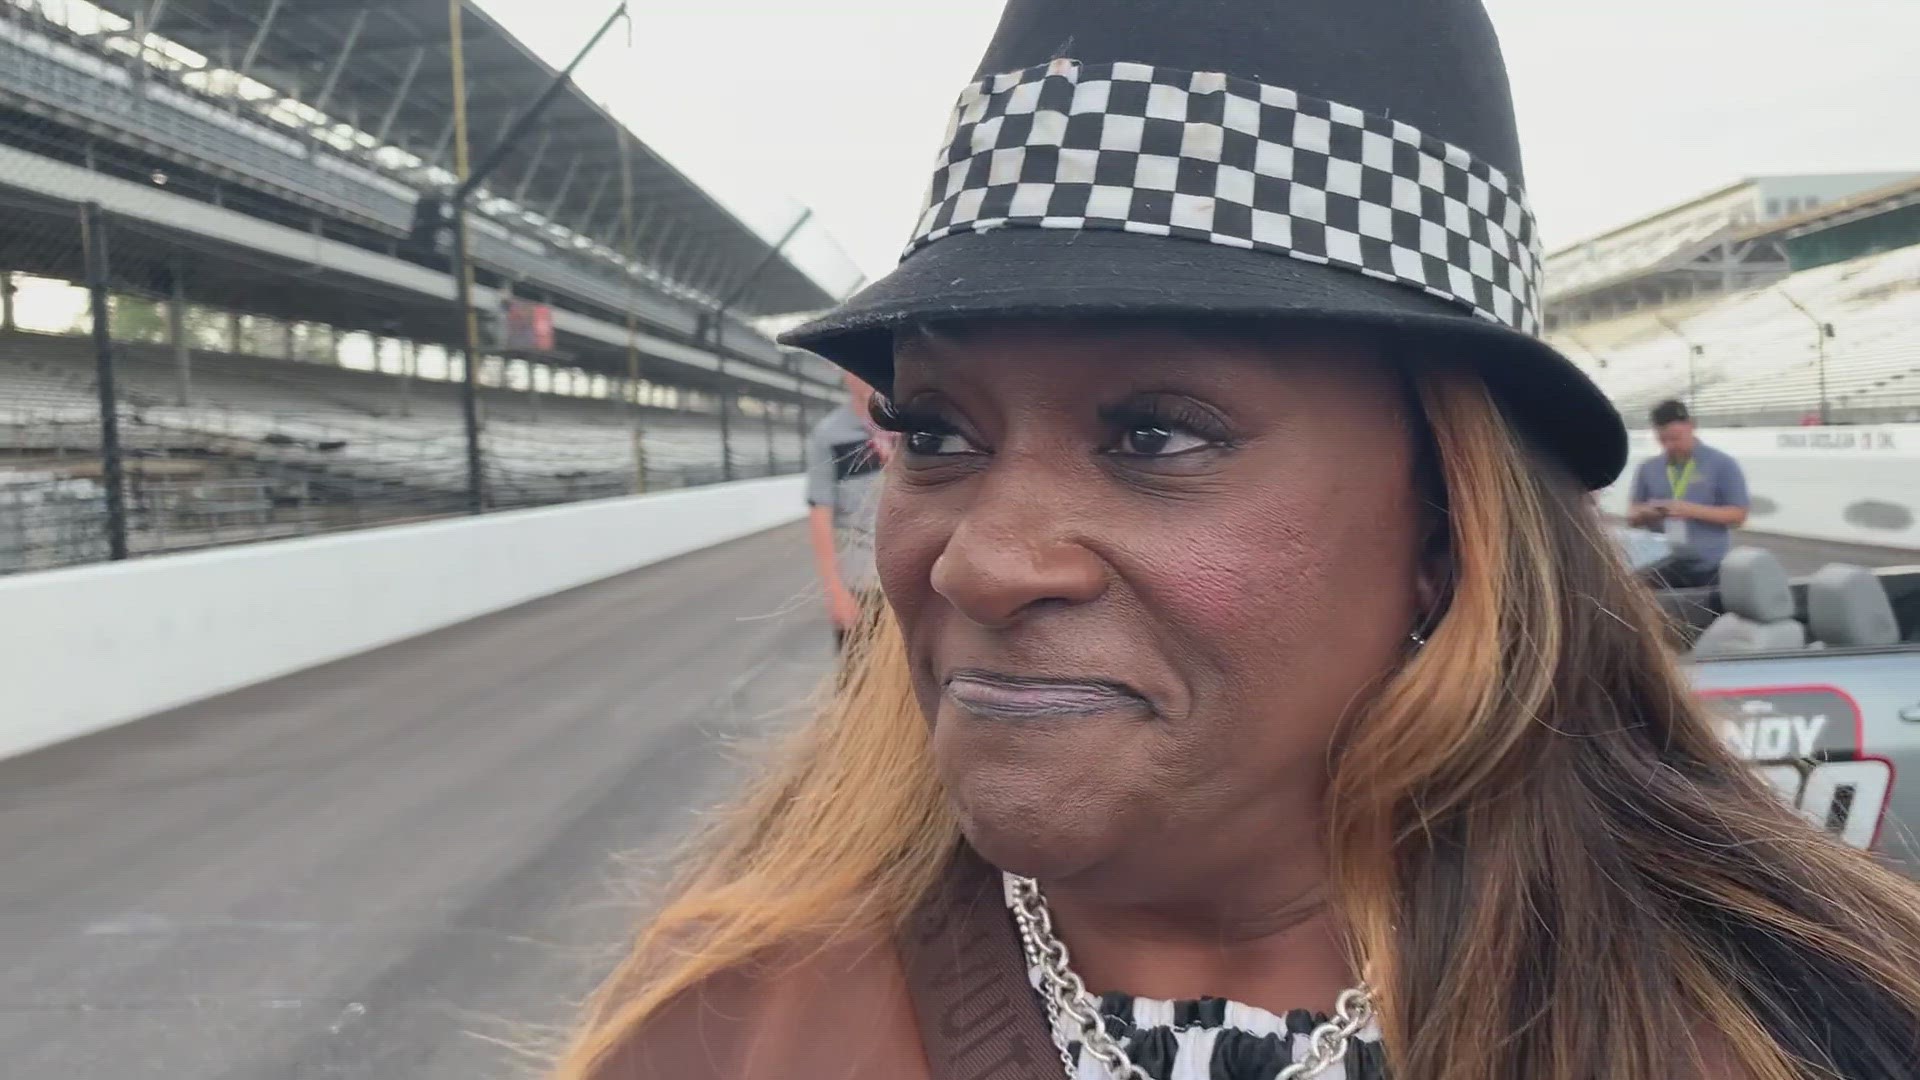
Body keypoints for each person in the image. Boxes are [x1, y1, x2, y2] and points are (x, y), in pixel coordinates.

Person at [557, 2, 1920, 1078]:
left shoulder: (1810, 1029)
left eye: (1157, 435)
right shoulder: (726, 1033)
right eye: (936, 433)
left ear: (1451, 524)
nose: (977, 561)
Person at [803, 371, 890, 651]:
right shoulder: (829, 434)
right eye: (854, 371)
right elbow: (820, 514)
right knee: (859, 677)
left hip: (918, 583)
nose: (864, 377)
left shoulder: (914, 423)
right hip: (863, 583)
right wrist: (835, 591)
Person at [1626, 399, 1751, 589]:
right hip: (1660, 567)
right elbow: (1632, 516)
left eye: (1675, 438)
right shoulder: (1648, 468)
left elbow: (1738, 515)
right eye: (1662, 439)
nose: (1669, 445)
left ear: (1691, 426)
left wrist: (1691, 510)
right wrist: (1650, 512)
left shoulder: (1722, 464)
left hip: (1708, 568)